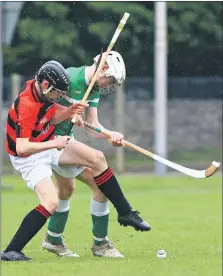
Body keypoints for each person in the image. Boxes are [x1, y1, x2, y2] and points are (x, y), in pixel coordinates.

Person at [41, 51, 151, 259]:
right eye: (110, 79)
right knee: (98, 161)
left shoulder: (95, 89)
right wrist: (68, 112)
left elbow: (92, 126)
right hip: (48, 140)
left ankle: (53, 239)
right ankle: (104, 240)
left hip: (66, 141)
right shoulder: (69, 78)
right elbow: (44, 112)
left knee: (72, 189)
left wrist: (110, 135)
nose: (110, 84)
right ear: (104, 68)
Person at [1, 60, 87, 261]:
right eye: (57, 92)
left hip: (45, 144)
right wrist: (55, 142)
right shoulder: (27, 105)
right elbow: (22, 147)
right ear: (46, 85)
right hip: (29, 156)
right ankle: (12, 251)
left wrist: (69, 111)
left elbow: (48, 117)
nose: (59, 97)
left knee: (94, 164)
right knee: (50, 202)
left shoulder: (39, 88)